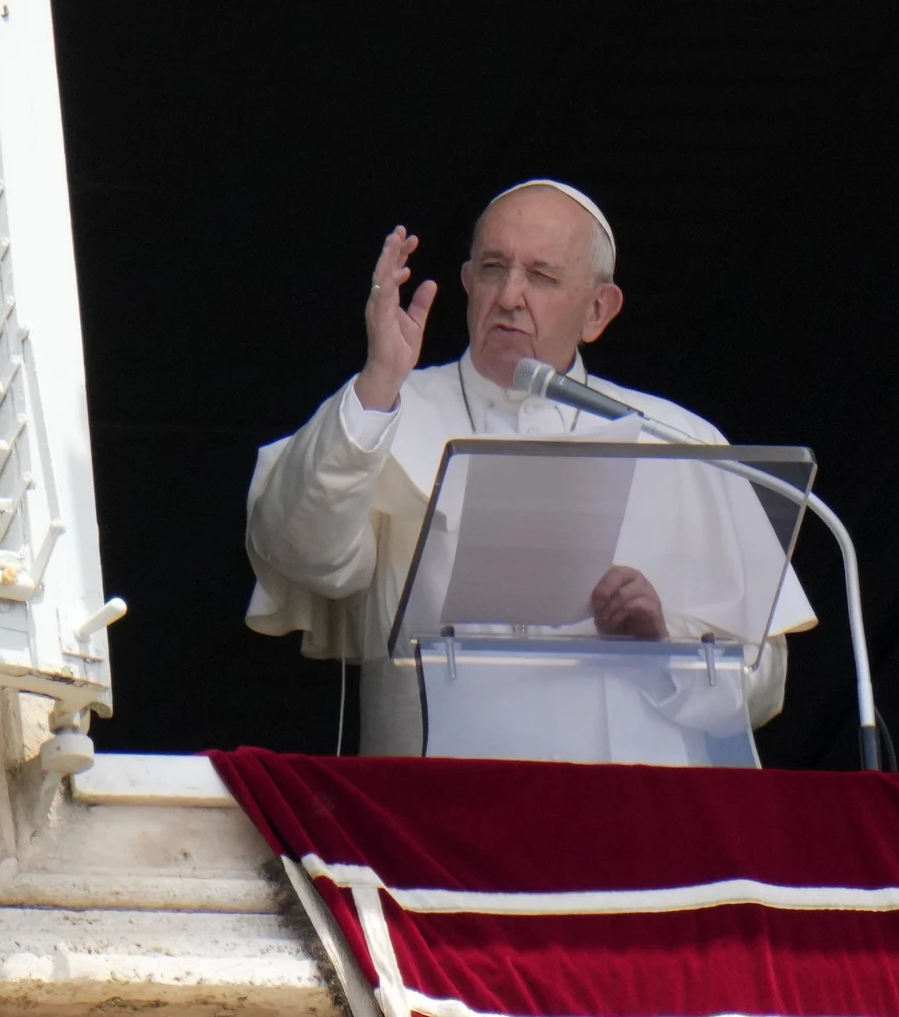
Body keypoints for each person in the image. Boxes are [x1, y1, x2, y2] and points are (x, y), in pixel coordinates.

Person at [243, 180, 814, 763]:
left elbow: (764, 684)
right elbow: (302, 554)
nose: (510, 295)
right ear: (467, 283)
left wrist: (662, 641)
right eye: (493, 267)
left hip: (633, 820)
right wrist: (378, 383)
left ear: (598, 310)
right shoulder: (385, 409)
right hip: (434, 816)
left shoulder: (678, 440)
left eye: (541, 276)